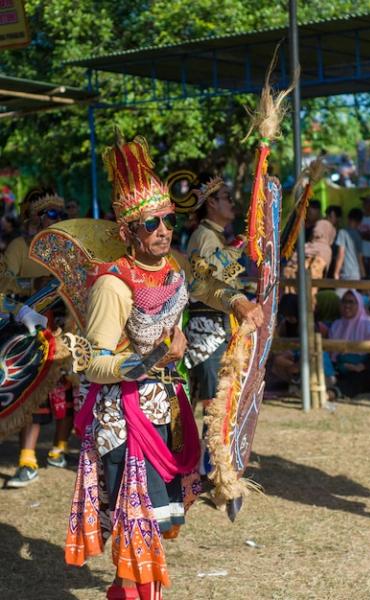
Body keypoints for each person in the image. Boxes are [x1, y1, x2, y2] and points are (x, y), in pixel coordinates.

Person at [64, 134, 263, 600]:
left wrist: (238, 302)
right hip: (123, 416)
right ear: (128, 231)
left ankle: (137, 590)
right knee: (138, 519)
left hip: (164, 409)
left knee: (155, 517)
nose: (162, 229)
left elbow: (205, 285)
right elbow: (94, 363)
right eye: (150, 223)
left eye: (167, 220)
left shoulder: (174, 265)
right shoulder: (112, 285)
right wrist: (153, 358)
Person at [4, 188, 74, 488]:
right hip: (32, 328)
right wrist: (34, 284)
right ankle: (27, 459)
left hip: (65, 325)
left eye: (63, 215)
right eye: (53, 215)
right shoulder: (20, 246)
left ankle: (59, 448)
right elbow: (4, 281)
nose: (60, 220)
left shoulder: (68, 248)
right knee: (33, 392)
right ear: (37, 218)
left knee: (67, 391)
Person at [185, 174, 246, 474]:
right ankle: (208, 468)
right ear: (211, 203)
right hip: (206, 329)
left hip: (220, 326)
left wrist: (237, 251)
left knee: (220, 401)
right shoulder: (203, 236)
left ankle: (210, 465)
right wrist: (236, 248)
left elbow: (224, 276)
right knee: (212, 403)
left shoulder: (215, 236)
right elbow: (201, 283)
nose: (232, 204)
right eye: (227, 198)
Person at [327, 290, 370, 399]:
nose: (347, 306)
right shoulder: (337, 325)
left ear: (359, 305)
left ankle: (332, 394)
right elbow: (333, 355)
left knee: (359, 378)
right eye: (344, 302)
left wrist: (361, 366)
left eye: (351, 302)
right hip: (347, 368)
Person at [333, 208, 365, 282]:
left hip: (346, 273)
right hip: (356, 274)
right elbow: (360, 258)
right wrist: (363, 274)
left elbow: (341, 254)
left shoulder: (342, 232)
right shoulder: (358, 236)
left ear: (348, 219)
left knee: (338, 294)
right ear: (360, 222)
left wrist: (336, 272)